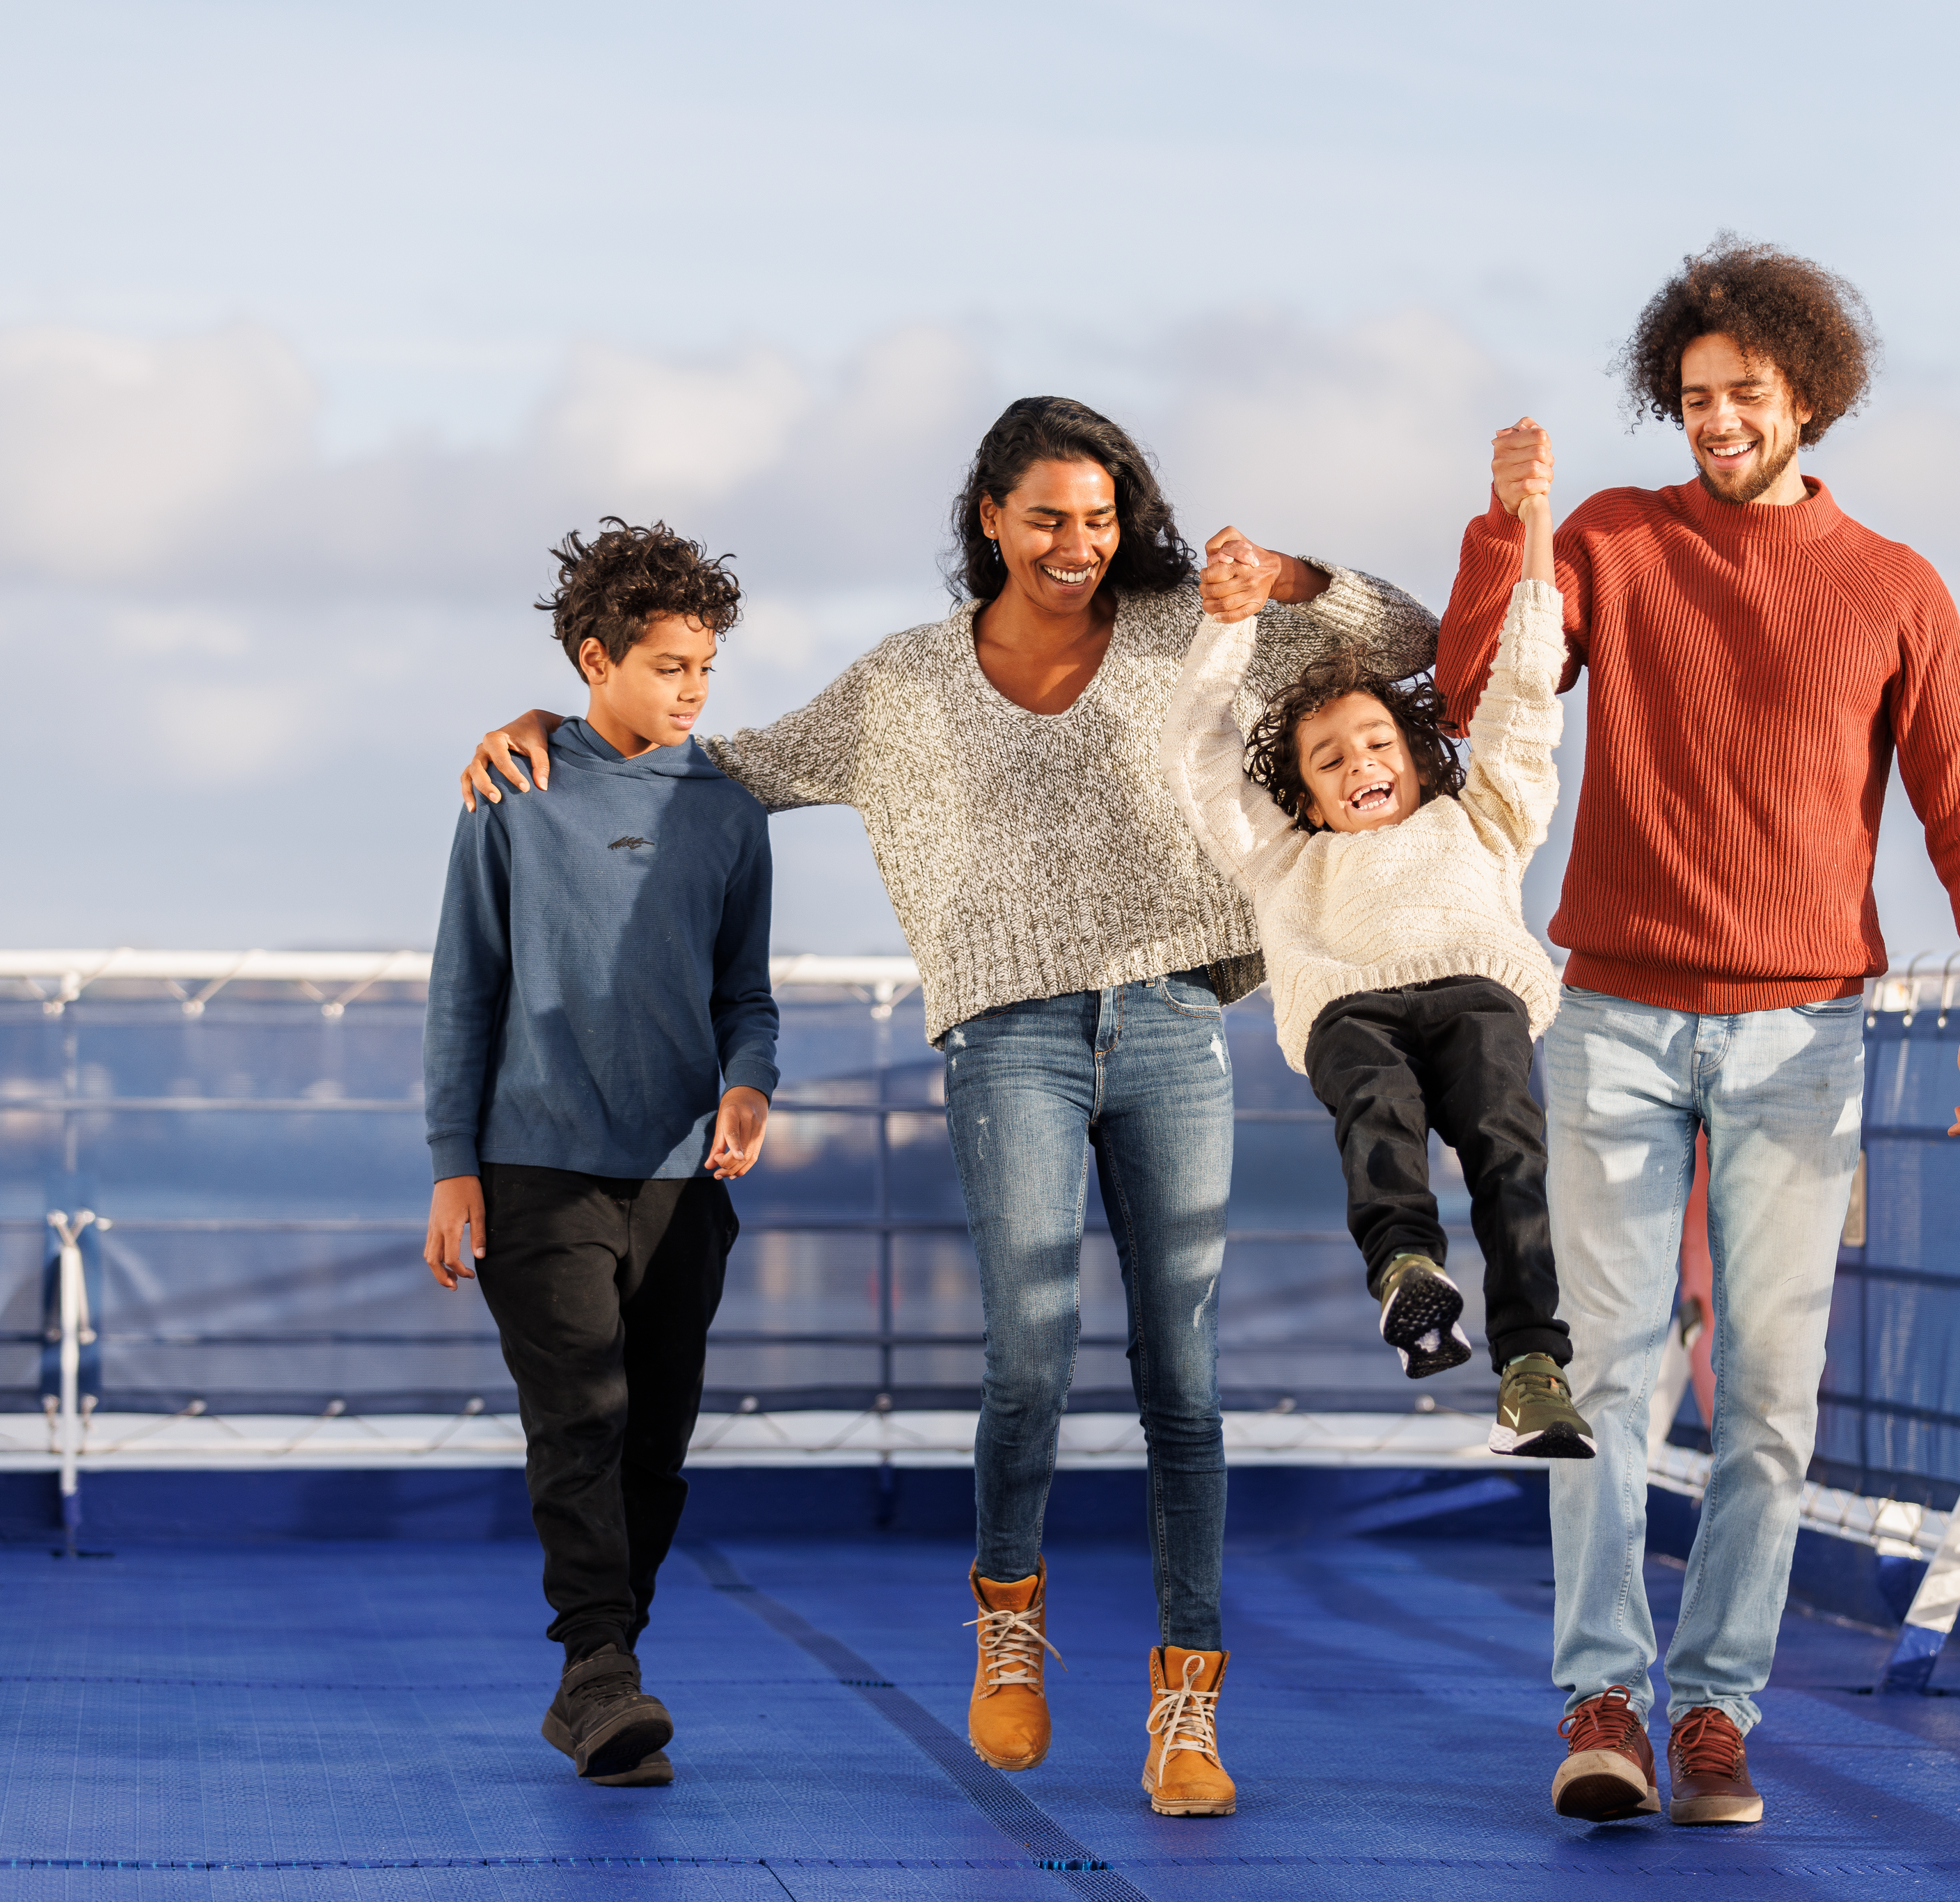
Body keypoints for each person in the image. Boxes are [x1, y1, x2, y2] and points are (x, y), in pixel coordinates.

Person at [456, 397, 1437, 1816]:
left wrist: (1283, 579)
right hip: (1005, 1039)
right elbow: (723, 773)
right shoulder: (902, 683)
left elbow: (1401, 642)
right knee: (1029, 1346)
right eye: (1047, 516)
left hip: (1168, 1018)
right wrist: (558, 723)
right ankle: (1008, 1618)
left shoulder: (1185, 636)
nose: (1077, 545)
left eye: (1100, 519)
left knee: (1184, 1374)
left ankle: (1185, 1709)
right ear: (987, 516)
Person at [1437, 238, 1960, 1828]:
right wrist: (1507, 531)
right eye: (1691, 396)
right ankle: (1605, 1700)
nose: (1714, 419)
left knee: (1770, 1396)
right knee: (1601, 1378)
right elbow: (1474, 689)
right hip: (1615, 1019)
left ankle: (1715, 1710)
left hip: (1801, 1040)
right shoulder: (1612, 542)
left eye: (1743, 394)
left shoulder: (1894, 587)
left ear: (1807, 397)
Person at [422, 518, 779, 1791]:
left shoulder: (729, 808)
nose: (692, 690)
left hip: (687, 1175)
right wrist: (450, 1164)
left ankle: (604, 1664)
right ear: (595, 658)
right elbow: (464, 985)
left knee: (654, 1438)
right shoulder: (512, 792)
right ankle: (599, 1673)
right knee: (577, 1412)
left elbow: (748, 992)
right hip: (534, 1165)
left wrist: (750, 1086)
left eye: (706, 669)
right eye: (670, 665)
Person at [1157, 466, 1591, 1459]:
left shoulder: (1485, 819)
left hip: (1478, 997)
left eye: (1376, 743)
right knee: (1378, 1114)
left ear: (1416, 752)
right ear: (1306, 797)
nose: (1361, 766)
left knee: (1507, 1151)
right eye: (1331, 759)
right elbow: (1198, 754)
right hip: (1354, 1007)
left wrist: (1535, 525)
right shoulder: (1287, 857)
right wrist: (1234, 618)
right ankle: (1409, 1276)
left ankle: (1532, 1371)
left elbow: (1527, 695)